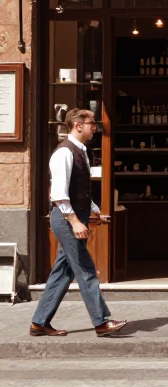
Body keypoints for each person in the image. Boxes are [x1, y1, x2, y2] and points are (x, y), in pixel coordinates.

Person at [30, 109, 126, 338]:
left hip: (75, 217)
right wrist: (74, 221)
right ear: (77, 124)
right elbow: (59, 194)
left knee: (63, 272)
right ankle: (102, 322)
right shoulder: (64, 153)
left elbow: (79, 191)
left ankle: (39, 322)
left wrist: (95, 212)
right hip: (66, 219)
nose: (95, 127)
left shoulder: (81, 151)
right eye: (92, 122)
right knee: (86, 270)